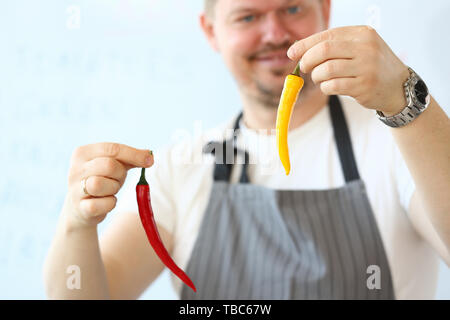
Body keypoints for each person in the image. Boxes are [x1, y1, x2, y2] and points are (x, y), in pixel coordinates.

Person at [43, 0, 450, 300]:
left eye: (292, 9)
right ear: (211, 31)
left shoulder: (399, 138)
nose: (274, 34)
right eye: (248, 17)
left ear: (325, 10)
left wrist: (408, 102)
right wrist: (76, 223)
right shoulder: (180, 167)